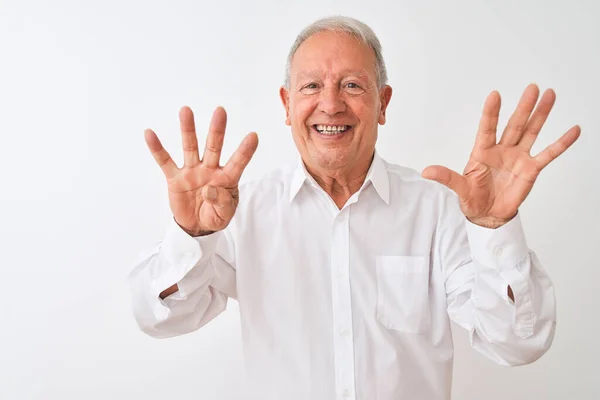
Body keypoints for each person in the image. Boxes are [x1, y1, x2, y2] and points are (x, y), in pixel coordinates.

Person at [128, 16, 580, 400]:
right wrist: (192, 236)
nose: (330, 103)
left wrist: (494, 229)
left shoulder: (436, 210)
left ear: (382, 103)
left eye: (352, 85)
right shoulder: (237, 211)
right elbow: (159, 318)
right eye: (311, 85)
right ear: (287, 105)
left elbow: (519, 343)